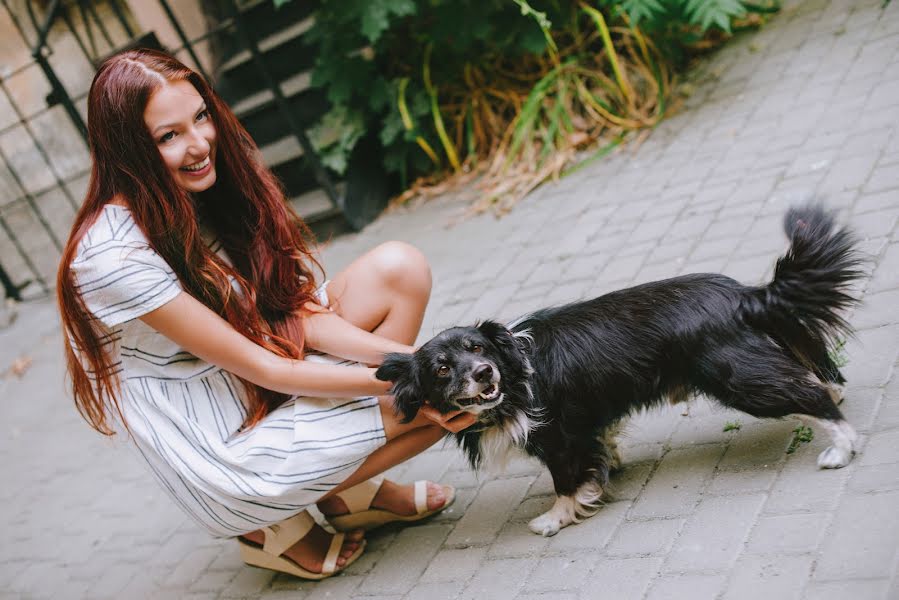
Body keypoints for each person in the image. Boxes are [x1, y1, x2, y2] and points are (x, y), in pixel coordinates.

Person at [56, 48, 477, 580]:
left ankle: (346, 496)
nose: (199, 144)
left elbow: (286, 315)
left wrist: (411, 361)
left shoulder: (200, 188)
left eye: (201, 117)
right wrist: (403, 383)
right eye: (168, 137)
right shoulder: (113, 257)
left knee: (401, 270)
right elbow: (265, 367)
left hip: (253, 368)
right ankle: (269, 525)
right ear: (128, 150)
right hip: (218, 433)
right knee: (432, 410)